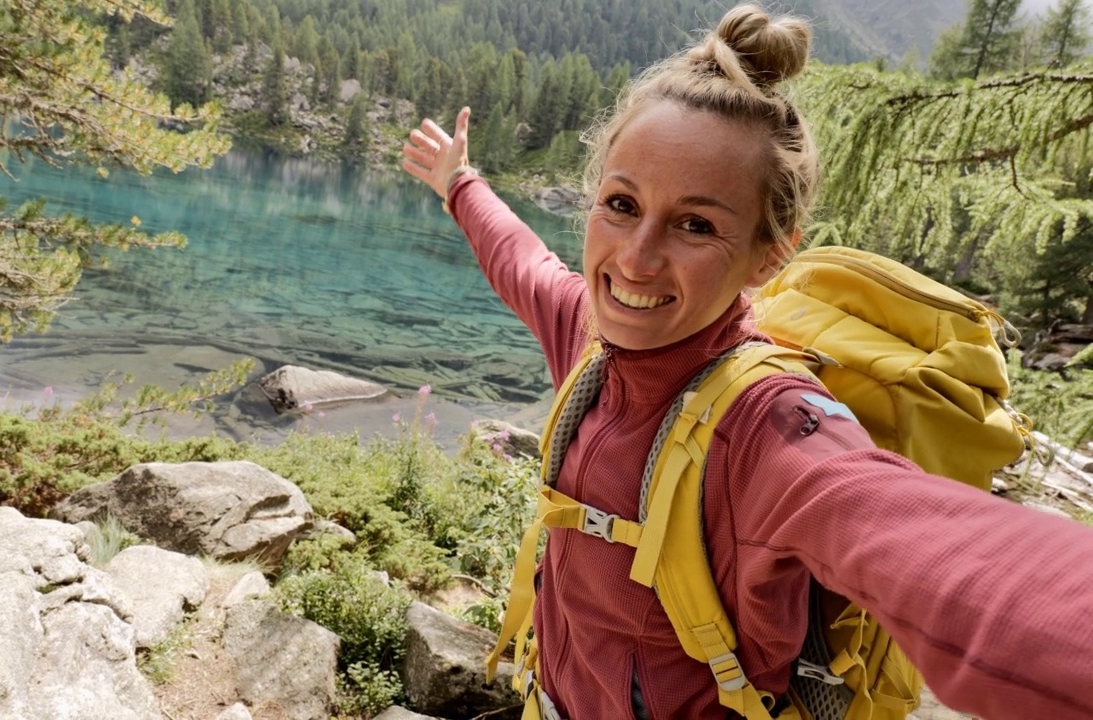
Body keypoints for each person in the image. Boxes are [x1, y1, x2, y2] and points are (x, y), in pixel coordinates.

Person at [400, 4, 1093, 720]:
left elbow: (941, 552)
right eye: (620, 203)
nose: (634, 259)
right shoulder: (593, 335)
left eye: (695, 224)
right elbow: (522, 259)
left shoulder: (775, 427)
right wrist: (460, 181)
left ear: (770, 256)